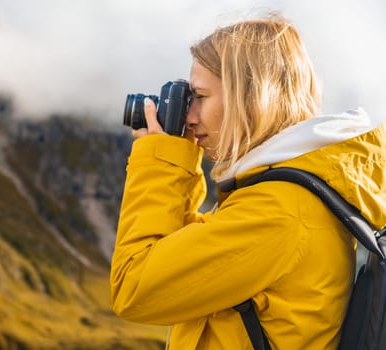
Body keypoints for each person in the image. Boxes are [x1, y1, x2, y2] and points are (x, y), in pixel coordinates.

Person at [110, 12, 386, 350]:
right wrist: (176, 158)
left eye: (199, 96)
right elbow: (180, 259)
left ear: (249, 97)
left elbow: (134, 287)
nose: (190, 115)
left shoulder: (278, 212)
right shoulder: (283, 195)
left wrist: (160, 159)